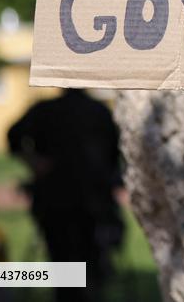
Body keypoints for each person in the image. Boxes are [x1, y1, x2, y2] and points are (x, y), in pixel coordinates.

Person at [7, 89, 124, 302]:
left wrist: (34, 162)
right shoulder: (91, 111)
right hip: (67, 203)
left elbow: (114, 155)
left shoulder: (93, 111)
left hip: (80, 205)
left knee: (72, 267)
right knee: (79, 267)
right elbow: (115, 159)